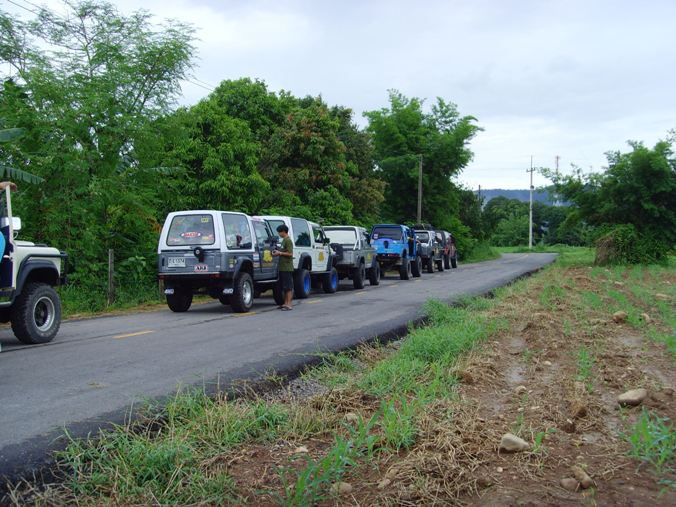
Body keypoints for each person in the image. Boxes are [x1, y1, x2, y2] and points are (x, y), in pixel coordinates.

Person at [272, 224, 294, 311]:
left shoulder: (288, 241)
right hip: (282, 267)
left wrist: (280, 253)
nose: (279, 234)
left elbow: (290, 253)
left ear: (283, 231)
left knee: (288, 287)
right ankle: (285, 303)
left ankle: (289, 305)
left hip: (287, 267)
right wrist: (277, 252)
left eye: (279, 232)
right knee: (284, 287)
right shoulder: (284, 241)